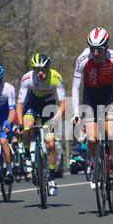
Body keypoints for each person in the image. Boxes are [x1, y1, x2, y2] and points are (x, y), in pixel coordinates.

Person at [72, 27, 113, 190]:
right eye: (92, 49)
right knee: (92, 139)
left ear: (106, 47)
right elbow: (75, 88)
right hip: (90, 97)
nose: (96, 53)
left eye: (99, 50)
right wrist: (75, 113)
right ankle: (95, 166)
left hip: (109, 95)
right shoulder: (82, 60)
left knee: (111, 132)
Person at [15, 53, 66, 196]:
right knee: (27, 127)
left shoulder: (56, 78)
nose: (40, 73)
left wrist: (55, 120)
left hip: (49, 108)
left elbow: (62, 105)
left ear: (48, 68)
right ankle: (26, 154)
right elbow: (19, 105)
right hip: (32, 105)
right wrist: (19, 123)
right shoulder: (27, 79)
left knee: (50, 144)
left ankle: (51, 178)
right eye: (37, 70)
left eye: (43, 70)